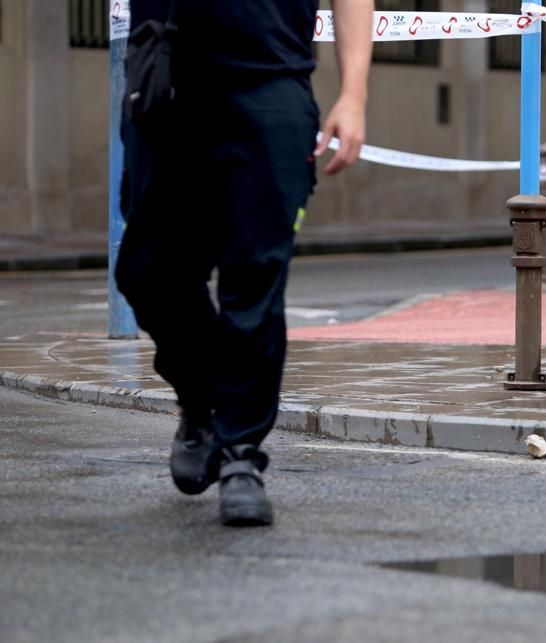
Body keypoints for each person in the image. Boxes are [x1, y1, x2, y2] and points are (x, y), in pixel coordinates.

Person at [116, 0, 374, 526]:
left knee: (254, 279)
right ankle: (200, 397)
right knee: (147, 272)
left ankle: (239, 456)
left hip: (271, 87)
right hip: (166, 79)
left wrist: (354, 94)